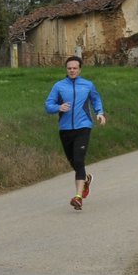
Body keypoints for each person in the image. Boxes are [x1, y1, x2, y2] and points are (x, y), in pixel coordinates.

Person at [44, 55, 107, 210]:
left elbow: (96, 100)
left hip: (83, 126)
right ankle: (85, 179)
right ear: (66, 69)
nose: (72, 70)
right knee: (73, 163)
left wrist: (100, 112)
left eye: (75, 68)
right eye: (69, 68)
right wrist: (58, 108)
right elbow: (48, 105)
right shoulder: (59, 86)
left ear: (80, 69)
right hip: (65, 129)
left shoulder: (87, 85)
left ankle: (78, 197)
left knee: (79, 160)